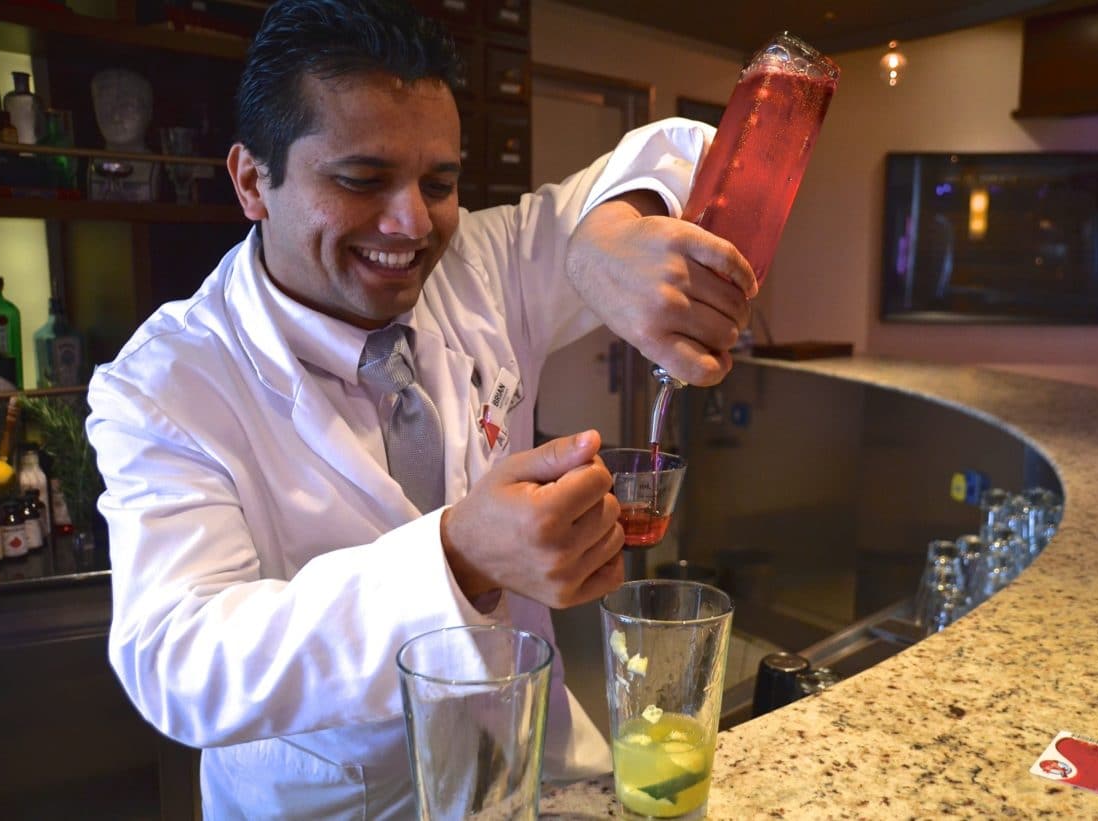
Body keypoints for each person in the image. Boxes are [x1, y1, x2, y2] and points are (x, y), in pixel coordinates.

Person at [85, 0, 756, 816]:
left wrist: (606, 233)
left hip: (530, 776)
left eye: (439, 183)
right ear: (253, 179)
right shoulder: (167, 382)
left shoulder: (482, 256)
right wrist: (456, 556)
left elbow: (694, 152)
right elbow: (179, 660)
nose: (412, 224)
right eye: (362, 180)